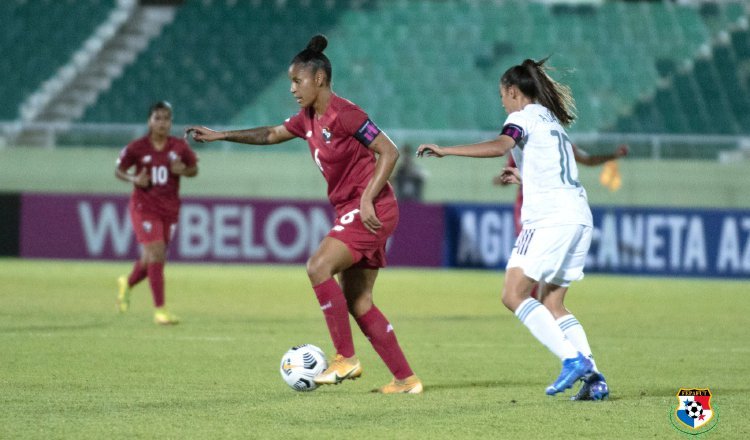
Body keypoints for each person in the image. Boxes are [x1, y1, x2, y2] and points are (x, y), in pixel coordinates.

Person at [185, 35, 422, 394]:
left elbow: (388, 152)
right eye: (291, 83)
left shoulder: (346, 114)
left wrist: (368, 199)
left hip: (371, 208)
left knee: (317, 266)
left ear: (320, 80)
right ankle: (406, 380)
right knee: (359, 302)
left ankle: (346, 358)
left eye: (298, 81)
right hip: (353, 209)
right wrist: (221, 136)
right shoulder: (308, 118)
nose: (293, 89)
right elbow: (270, 134)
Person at [417, 57, 606, 399]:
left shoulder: (520, 118)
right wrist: (523, 177)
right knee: (553, 302)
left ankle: (572, 360)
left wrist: (446, 150)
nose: (501, 101)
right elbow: (555, 169)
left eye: (502, 94)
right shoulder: (552, 122)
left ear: (513, 91)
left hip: (549, 218)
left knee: (513, 294)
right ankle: (594, 378)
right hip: (578, 216)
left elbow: (500, 146)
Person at [115, 101, 198, 325]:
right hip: (144, 207)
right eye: (158, 118)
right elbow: (119, 170)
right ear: (149, 121)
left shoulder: (179, 147)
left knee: (150, 258)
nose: (162, 123)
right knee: (157, 253)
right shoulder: (137, 147)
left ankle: (127, 282)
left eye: (167, 118)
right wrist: (134, 179)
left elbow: (194, 168)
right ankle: (160, 310)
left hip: (169, 209)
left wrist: (185, 171)